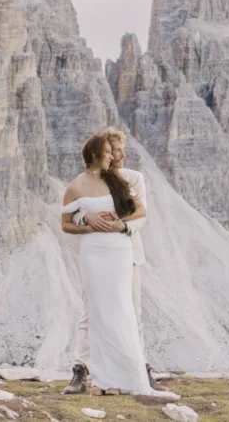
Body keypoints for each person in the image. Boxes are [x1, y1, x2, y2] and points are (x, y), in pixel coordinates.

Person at [59, 132, 176, 399]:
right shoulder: (79, 184)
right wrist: (86, 219)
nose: (119, 155)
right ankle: (85, 369)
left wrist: (122, 226)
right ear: (100, 153)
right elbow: (73, 214)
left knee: (128, 312)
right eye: (114, 150)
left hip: (125, 250)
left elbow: (141, 213)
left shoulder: (131, 178)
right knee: (93, 313)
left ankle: (136, 368)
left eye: (120, 150)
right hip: (95, 252)